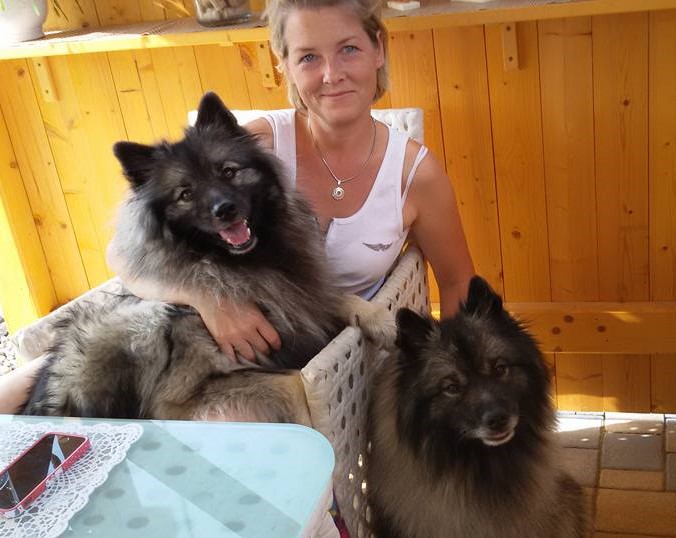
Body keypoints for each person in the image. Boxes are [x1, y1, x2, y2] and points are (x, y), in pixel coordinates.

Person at [0, 0, 473, 424]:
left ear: (378, 49)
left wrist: (460, 377)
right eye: (308, 57)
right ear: (284, 65)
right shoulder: (256, 142)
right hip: (180, 341)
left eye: (348, 49)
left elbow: (456, 283)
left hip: (307, 362)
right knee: (20, 398)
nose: (331, 74)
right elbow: (123, 255)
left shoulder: (414, 173)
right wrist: (210, 301)